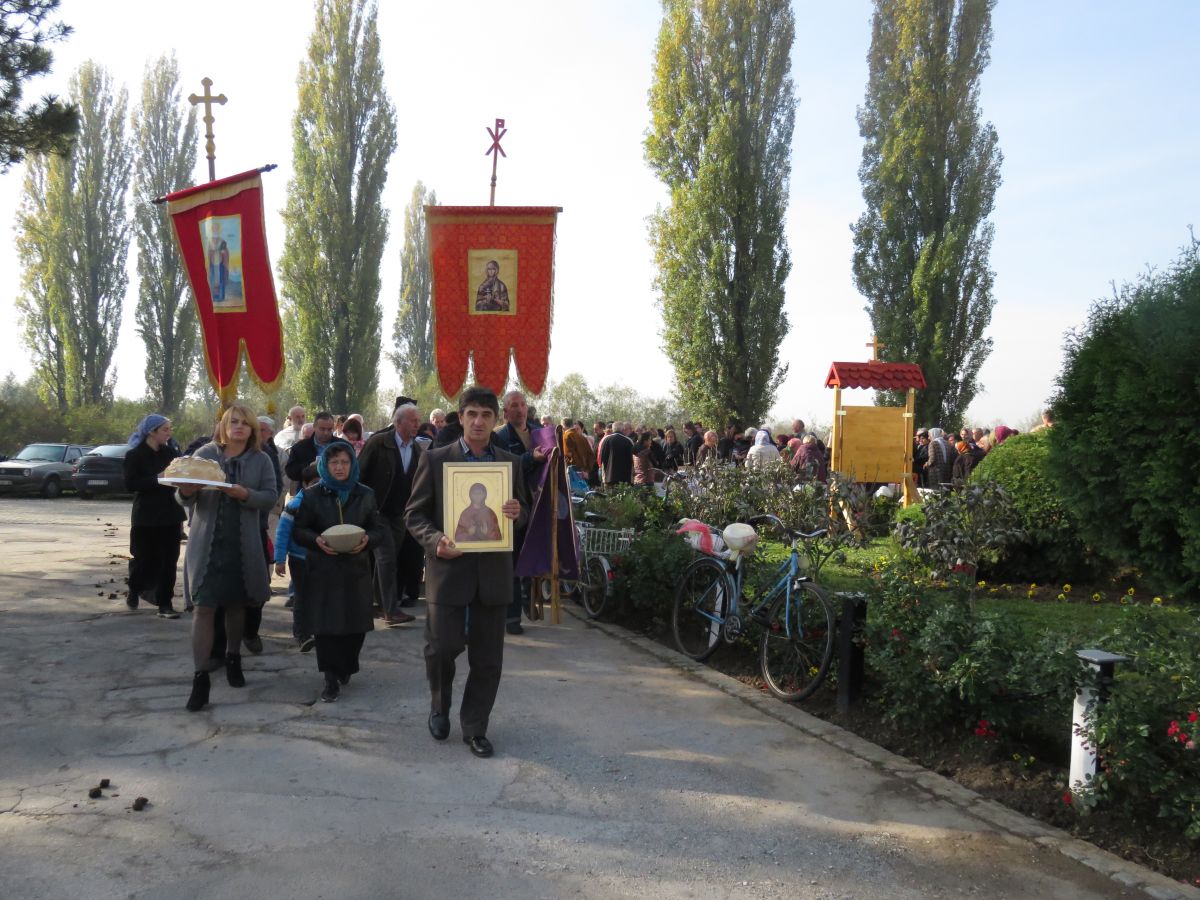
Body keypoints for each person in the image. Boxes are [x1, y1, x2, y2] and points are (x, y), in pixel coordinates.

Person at [405, 386, 529, 758]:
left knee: (488, 658)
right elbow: (414, 515)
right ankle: (439, 706)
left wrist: (516, 513)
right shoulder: (437, 459)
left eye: (486, 415)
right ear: (461, 418)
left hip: (493, 575)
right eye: (472, 414)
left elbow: (524, 511)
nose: (478, 421)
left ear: (496, 419)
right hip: (449, 570)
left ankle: (475, 726)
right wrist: (436, 539)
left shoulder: (511, 463)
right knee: (443, 647)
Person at [180, 404, 280, 712]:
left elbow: (270, 496)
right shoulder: (205, 455)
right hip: (207, 544)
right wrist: (186, 490)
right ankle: (200, 679)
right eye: (233, 422)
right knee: (204, 607)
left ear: (252, 430)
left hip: (242, 542)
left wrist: (245, 494)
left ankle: (233, 657)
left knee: (237, 604)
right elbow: (183, 495)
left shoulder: (261, 460)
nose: (238, 427)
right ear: (224, 425)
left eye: (244, 424)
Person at [292, 440, 385, 702]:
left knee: (355, 626)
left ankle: (346, 667)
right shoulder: (312, 495)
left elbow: (378, 528)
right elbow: (300, 530)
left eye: (345, 462)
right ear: (325, 465)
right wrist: (316, 540)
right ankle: (330, 678)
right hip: (323, 569)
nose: (340, 467)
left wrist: (369, 539)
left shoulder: (365, 494)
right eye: (334, 462)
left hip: (356, 569)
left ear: (352, 464)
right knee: (326, 627)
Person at [358, 404, 423, 626]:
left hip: (399, 515)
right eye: (412, 420)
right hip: (377, 512)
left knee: (387, 560)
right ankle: (390, 610)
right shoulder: (379, 443)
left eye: (418, 420)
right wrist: (363, 507)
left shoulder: (417, 450)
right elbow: (360, 473)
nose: (417, 424)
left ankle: (376, 604)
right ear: (398, 422)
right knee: (386, 559)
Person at [493, 390, 545, 635]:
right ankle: (511, 617)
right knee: (512, 563)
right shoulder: (500, 437)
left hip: (538, 505)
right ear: (505, 412)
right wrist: (530, 458)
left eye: (522, 404)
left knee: (533, 556)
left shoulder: (539, 433)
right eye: (514, 405)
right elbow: (504, 467)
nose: (519, 409)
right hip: (513, 506)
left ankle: (529, 600)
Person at [123, 413, 185, 618]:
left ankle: (165, 604)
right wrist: (157, 479)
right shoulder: (134, 455)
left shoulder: (170, 453)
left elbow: (177, 476)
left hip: (170, 513)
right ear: (152, 432)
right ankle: (135, 587)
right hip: (146, 516)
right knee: (144, 559)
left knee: (169, 560)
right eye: (165, 429)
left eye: (169, 429)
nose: (169, 433)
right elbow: (131, 484)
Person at [274, 464, 320, 652]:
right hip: (298, 559)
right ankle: (301, 634)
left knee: (319, 595)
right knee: (302, 596)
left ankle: (317, 630)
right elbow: (282, 533)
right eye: (314, 483)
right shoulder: (294, 506)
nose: (318, 486)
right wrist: (279, 559)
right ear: (305, 484)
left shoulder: (329, 503)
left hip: (321, 559)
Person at [285, 411, 336, 485]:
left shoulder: (342, 446)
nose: (326, 433)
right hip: (308, 491)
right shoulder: (300, 447)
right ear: (314, 427)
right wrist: (309, 466)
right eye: (322, 429)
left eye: (329, 429)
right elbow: (290, 471)